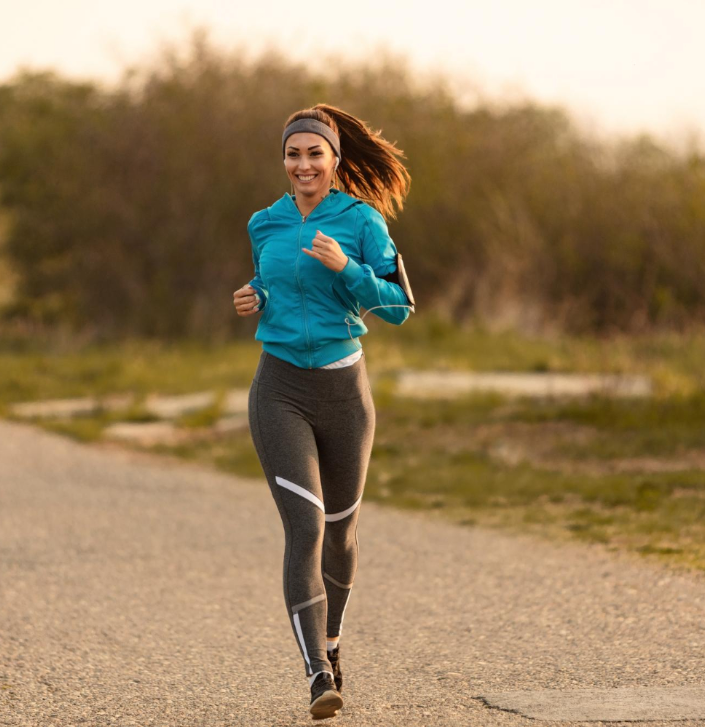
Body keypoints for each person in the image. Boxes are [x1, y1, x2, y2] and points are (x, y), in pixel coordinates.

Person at [232, 103, 413, 720]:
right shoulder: (264, 222)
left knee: (339, 531)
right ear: (283, 160)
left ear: (335, 160)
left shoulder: (363, 222)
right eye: (293, 154)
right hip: (278, 388)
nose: (303, 164)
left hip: (344, 393)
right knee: (305, 528)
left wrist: (350, 269)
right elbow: (274, 284)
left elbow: (399, 306)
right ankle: (316, 675)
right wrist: (255, 296)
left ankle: (333, 645)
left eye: (314, 153)